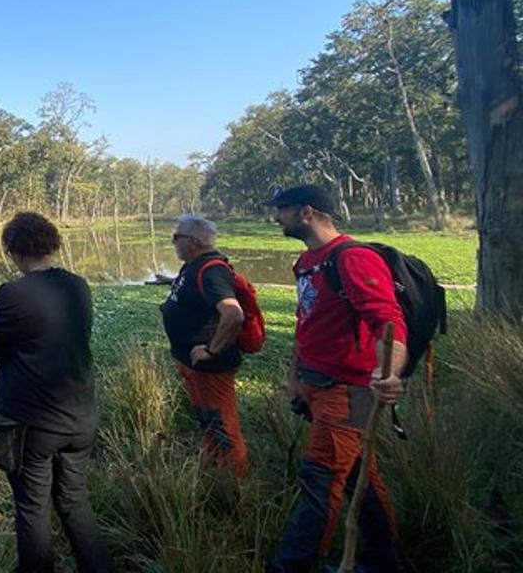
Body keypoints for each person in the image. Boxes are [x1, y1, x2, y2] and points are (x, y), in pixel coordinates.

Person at [264, 184, 407, 573]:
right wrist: (295, 376)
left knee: (319, 479)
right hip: (315, 384)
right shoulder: (308, 261)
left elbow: (388, 322)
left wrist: (390, 372)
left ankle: (290, 568)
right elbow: (305, 322)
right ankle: (384, 561)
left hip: (349, 391)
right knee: (360, 474)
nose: (276, 217)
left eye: (283, 209)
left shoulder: (353, 258)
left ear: (307, 212)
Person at [0, 211, 114, 573]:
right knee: (74, 500)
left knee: (32, 506)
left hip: (33, 426)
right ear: (50, 243)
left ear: (14, 249)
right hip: (80, 418)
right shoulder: (79, 286)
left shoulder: (13, 293)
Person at [159, 215, 250, 478]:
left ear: (194, 241)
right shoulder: (194, 266)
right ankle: (215, 468)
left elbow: (233, 315)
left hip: (211, 367)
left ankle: (235, 485)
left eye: (177, 237)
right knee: (208, 420)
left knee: (223, 425)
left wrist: (212, 351)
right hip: (194, 366)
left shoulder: (211, 270)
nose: (173, 242)